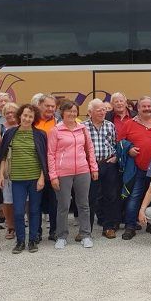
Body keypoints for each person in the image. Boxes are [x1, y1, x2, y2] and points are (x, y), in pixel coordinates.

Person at [48, 100, 99, 249]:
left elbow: (90, 149)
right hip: (63, 173)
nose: (72, 114)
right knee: (63, 206)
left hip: (83, 171)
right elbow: (50, 154)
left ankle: (86, 235)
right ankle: (62, 236)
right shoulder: (56, 130)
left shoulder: (83, 129)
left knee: (83, 205)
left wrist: (93, 168)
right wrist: (53, 176)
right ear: (62, 113)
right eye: (69, 111)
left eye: (74, 111)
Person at [0, 104, 47, 254]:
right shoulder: (10, 133)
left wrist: (42, 178)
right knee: (18, 211)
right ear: (20, 115)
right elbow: (4, 156)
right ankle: (20, 241)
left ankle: (32, 240)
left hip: (35, 178)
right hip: (16, 179)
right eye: (25, 115)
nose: (27, 118)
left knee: (34, 210)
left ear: (34, 119)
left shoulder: (40, 134)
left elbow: (44, 159)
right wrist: (1, 175)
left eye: (30, 116)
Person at [119, 96, 151, 240]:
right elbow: (120, 142)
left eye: (148, 106)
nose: (146, 109)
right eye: (143, 106)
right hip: (137, 168)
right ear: (137, 108)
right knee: (134, 197)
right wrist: (128, 150)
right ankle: (130, 226)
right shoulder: (129, 124)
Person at [83, 99, 120, 239]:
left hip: (108, 164)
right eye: (99, 110)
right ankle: (87, 230)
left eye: (104, 109)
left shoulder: (110, 125)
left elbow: (114, 144)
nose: (102, 112)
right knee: (90, 197)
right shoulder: (83, 127)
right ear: (90, 112)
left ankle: (108, 227)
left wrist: (115, 157)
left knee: (110, 196)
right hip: (90, 166)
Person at [35, 94, 60, 242]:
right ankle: (36, 232)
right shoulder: (32, 122)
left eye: (53, 106)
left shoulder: (58, 122)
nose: (50, 109)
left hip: (54, 169)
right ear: (40, 105)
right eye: (47, 106)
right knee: (36, 203)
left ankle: (54, 231)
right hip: (36, 167)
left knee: (54, 202)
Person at [0, 102, 19, 239]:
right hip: (7, 168)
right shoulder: (0, 128)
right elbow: (1, 151)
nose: (10, 114)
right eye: (7, 112)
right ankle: (10, 227)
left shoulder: (24, 127)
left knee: (24, 200)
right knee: (8, 200)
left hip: (23, 168)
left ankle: (22, 225)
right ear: (3, 115)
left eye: (12, 112)